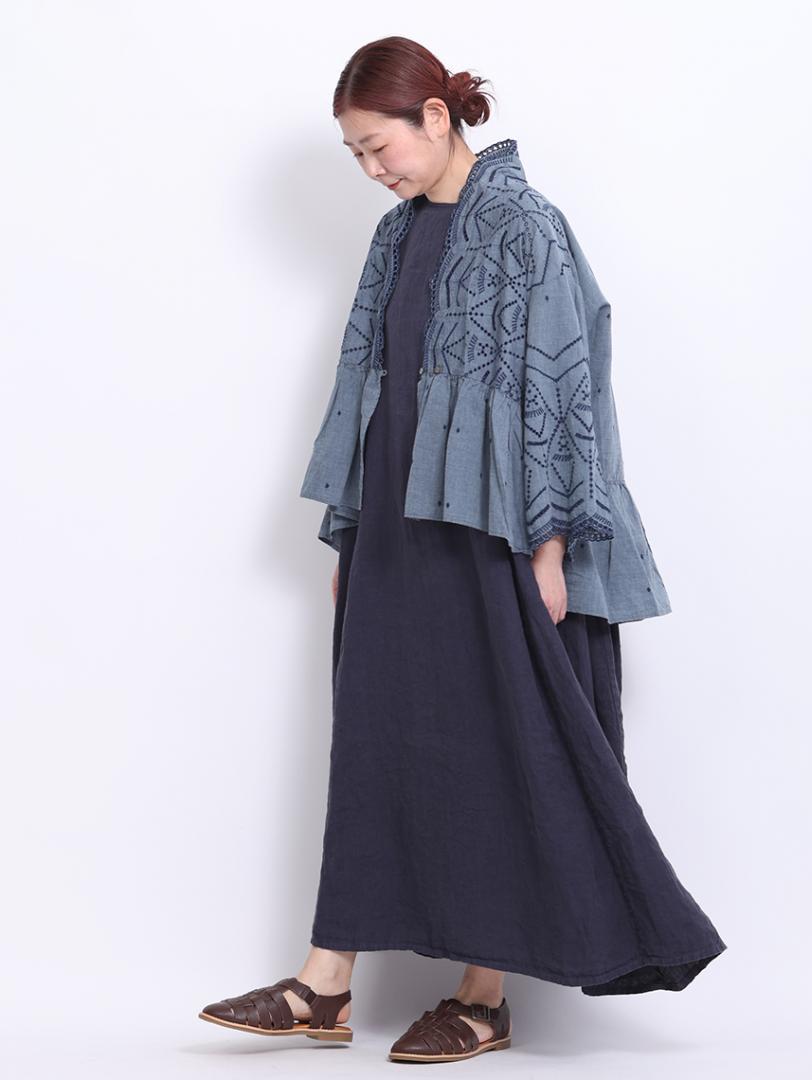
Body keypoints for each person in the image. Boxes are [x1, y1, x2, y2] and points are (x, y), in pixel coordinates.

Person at [199, 35, 727, 1064]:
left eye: (378, 144)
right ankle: (325, 984)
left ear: (436, 117)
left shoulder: (527, 225)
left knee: (499, 745)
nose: (371, 168)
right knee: (378, 737)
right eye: (355, 153)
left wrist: (550, 547)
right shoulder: (396, 235)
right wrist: (357, 531)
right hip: (399, 531)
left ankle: (483, 999)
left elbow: (567, 388)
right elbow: (372, 385)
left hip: (498, 532)